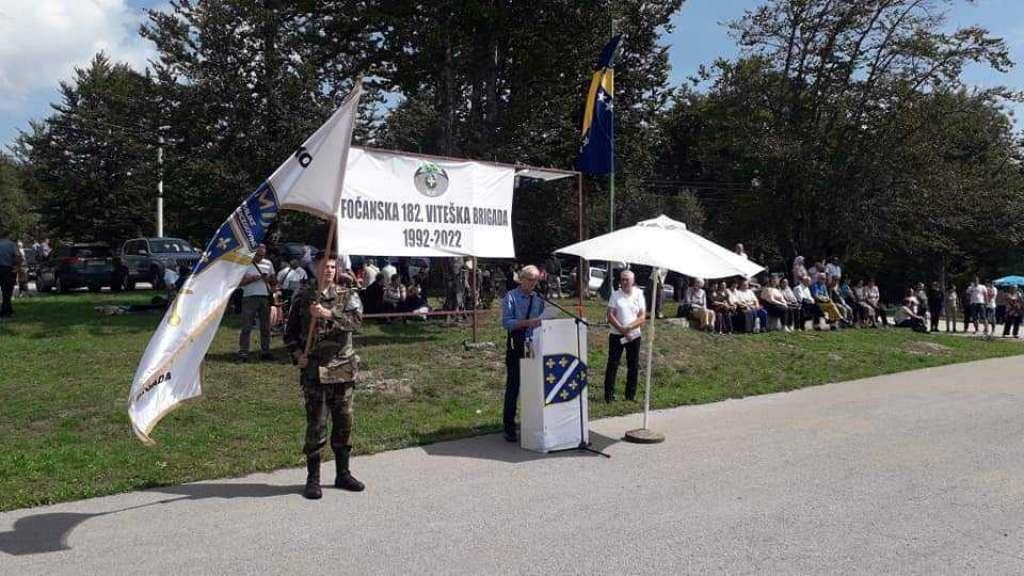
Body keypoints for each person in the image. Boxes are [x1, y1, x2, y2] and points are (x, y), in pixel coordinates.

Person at [284, 256, 365, 499]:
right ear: (315, 269)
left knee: (344, 423)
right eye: (324, 267)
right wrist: (298, 355)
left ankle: (343, 473)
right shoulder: (302, 296)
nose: (329, 271)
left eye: (332, 267)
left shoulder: (347, 294)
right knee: (316, 425)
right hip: (315, 372)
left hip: (342, 370)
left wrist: (328, 314)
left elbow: (357, 323)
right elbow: (290, 334)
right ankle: (313, 479)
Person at [500, 265, 544, 441]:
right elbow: (507, 323)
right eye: (531, 279)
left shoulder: (538, 298)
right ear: (522, 279)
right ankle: (509, 426)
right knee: (514, 384)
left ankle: (529, 422)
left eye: (536, 280)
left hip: (530, 345)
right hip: (515, 344)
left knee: (530, 384)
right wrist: (527, 323)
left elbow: (542, 318)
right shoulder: (511, 296)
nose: (533, 283)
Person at [604, 269, 646, 402]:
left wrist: (629, 328)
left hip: (634, 335)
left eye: (627, 279)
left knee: (633, 365)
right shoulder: (615, 295)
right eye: (622, 279)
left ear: (633, 281)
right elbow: (610, 315)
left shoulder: (639, 294)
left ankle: (630, 395)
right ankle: (609, 395)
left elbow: (642, 316)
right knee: (613, 364)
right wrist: (622, 329)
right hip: (617, 335)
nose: (625, 282)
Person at [237, 244, 275, 362]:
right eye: (258, 255)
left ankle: (265, 351)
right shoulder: (244, 263)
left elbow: (274, 280)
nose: (260, 257)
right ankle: (243, 352)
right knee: (246, 326)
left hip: (264, 297)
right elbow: (239, 283)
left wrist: (268, 278)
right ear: (253, 253)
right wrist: (253, 278)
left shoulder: (268, 263)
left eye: (262, 255)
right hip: (249, 297)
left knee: (266, 327)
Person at [0, 232, 20, 318]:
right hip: (7, 269)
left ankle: (8, 309)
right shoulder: (12, 244)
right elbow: (17, 257)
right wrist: (17, 267)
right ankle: (5, 311)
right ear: (8, 236)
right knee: (7, 291)